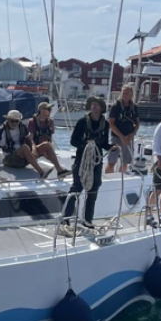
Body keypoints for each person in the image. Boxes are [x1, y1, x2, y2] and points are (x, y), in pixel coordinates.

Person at [62, 96, 116, 228]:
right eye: (92, 104)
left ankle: (88, 220)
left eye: (97, 105)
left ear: (101, 108)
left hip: (96, 161)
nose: (94, 107)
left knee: (94, 188)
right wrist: (84, 144)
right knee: (77, 187)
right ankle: (66, 218)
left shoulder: (106, 124)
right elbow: (73, 140)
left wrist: (110, 147)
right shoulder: (82, 122)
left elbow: (103, 143)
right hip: (82, 159)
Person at [0, 109, 48, 178]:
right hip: (9, 159)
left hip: (22, 158)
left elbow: (30, 140)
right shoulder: (1, 131)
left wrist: (34, 150)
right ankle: (41, 172)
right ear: (8, 120)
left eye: (16, 121)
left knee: (46, 145)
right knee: (25, 147)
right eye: (12, 121)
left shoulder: (23, 128)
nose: (14, 123)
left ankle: (60, 170)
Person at [27, 102, 69, 177]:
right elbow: (31, 138)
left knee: (47, 145)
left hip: (46, 147)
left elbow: (50, 137)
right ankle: (59, 170)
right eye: (48, 109)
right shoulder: (32, 121)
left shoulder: (50, 122)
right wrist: (34, 150)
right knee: (46, 144)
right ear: (42, 110)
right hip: (36, 148)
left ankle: (59, 170)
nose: (50, 111)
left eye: (50, 109)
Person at [106, 84, 139, 174]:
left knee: (125, 162)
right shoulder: (116, 107)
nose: (125, 94)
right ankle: (108, 178)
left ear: (131, 94)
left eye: (127, 92)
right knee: (111, 161)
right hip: (116, 137)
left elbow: (137, 123)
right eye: (124, 92)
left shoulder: (134, 108)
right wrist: (121, 136)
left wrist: (132, 133)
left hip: (129, 137)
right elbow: (111, 123)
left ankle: (122, 177)